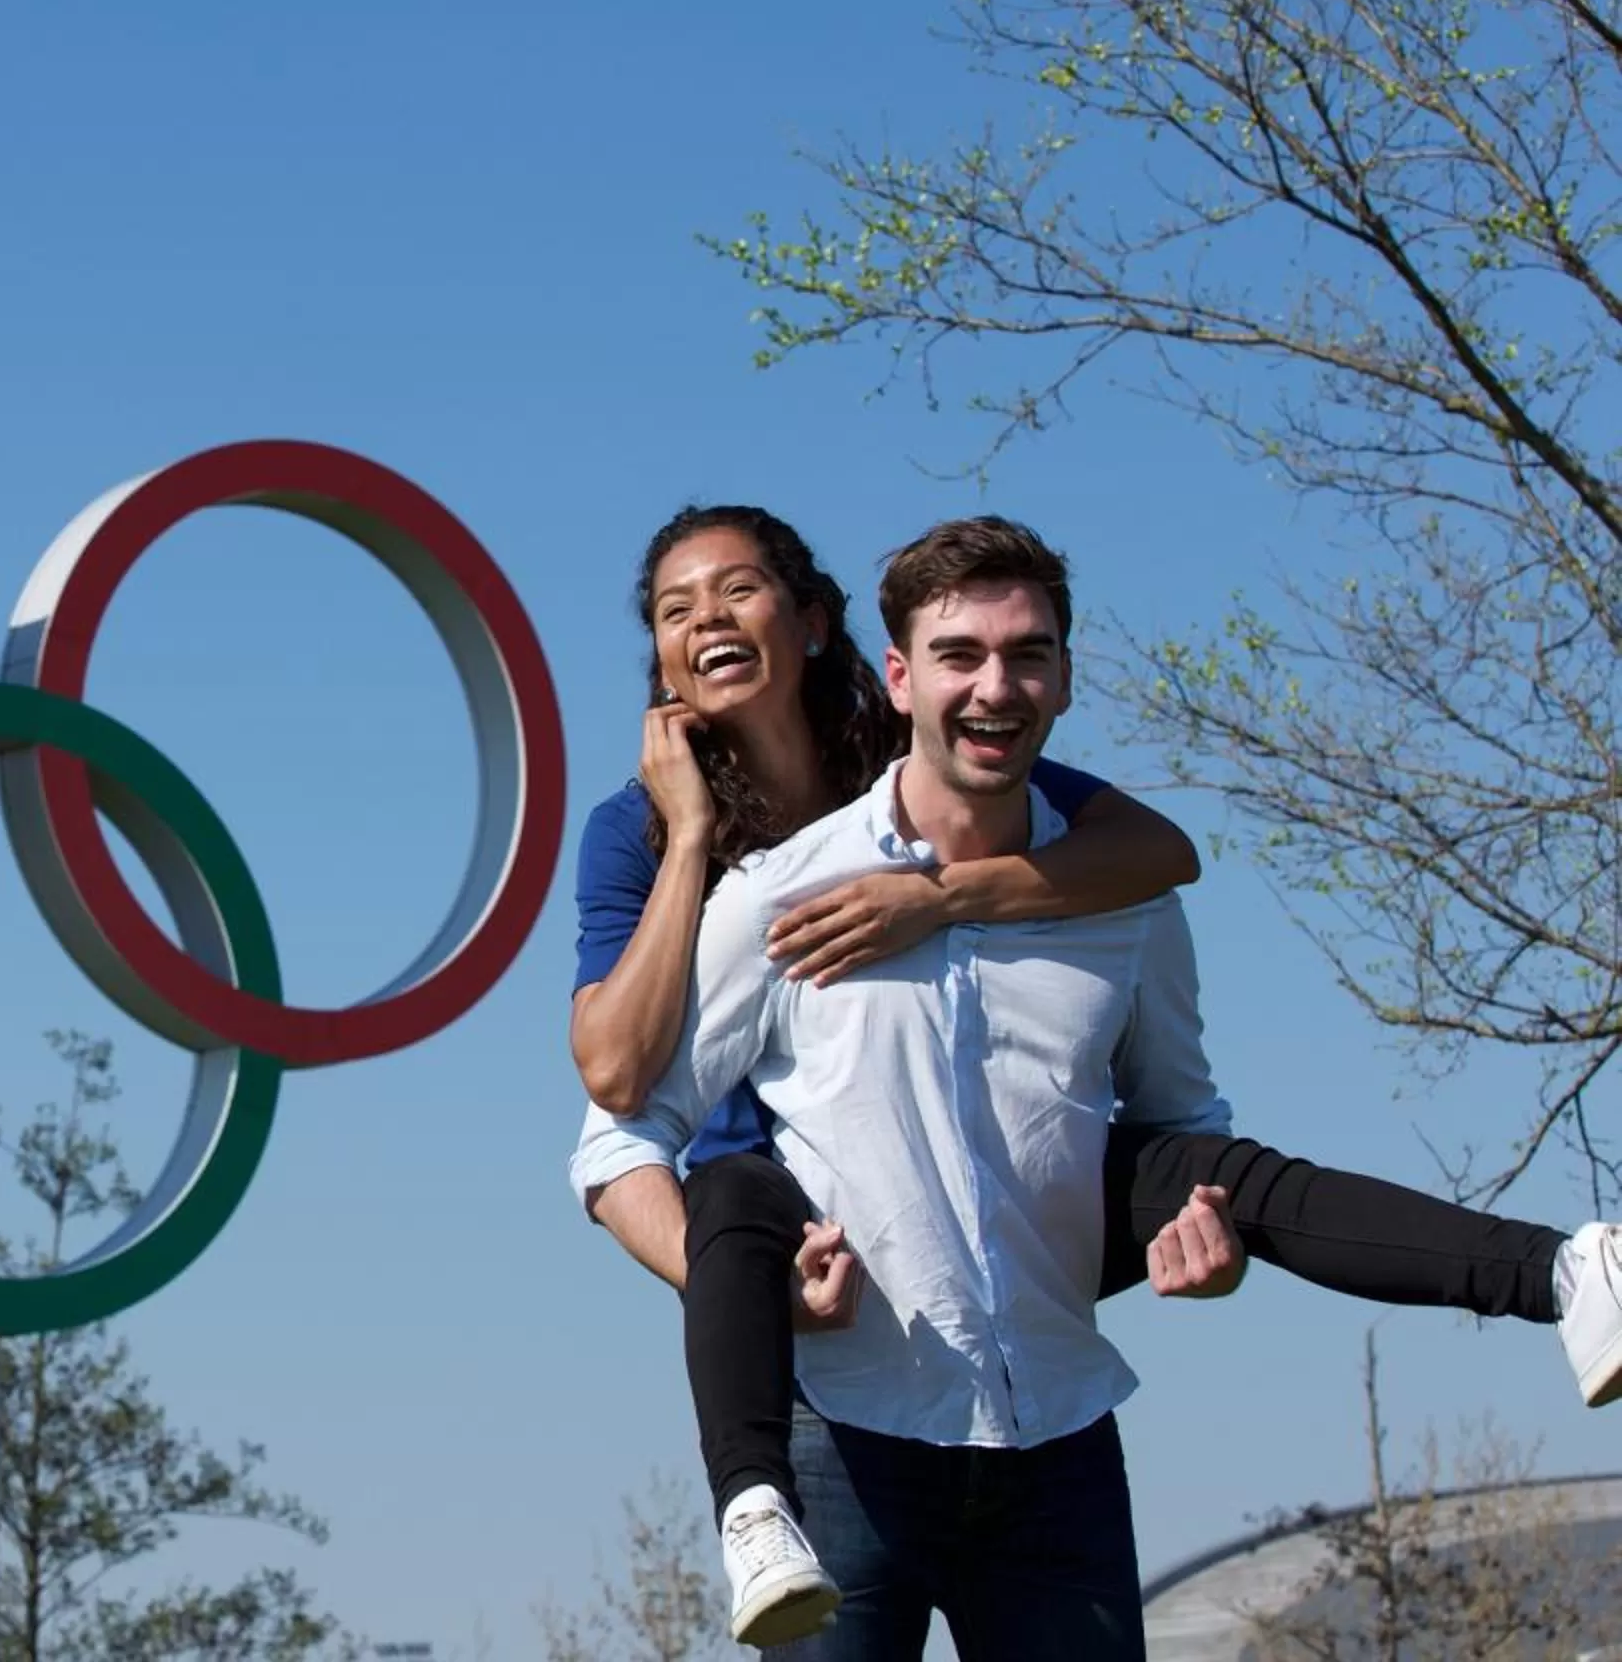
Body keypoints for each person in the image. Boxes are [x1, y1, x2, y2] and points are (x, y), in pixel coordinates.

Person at [565, 510, 1622, 1658]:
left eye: (1026, 656)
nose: (994, 687)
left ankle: (1570, 1264)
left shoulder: (1089, 873)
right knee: (730, 1188)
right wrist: (689, 838)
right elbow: (617, 1102)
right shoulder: (750, 881)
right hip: (838, 1383)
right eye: (961, 656)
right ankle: (750, 1501)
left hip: (1051, 1427)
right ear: (902, 672)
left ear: (1065, 678)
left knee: (1215, 1171)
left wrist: (942, 899)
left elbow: (1178, 1068)